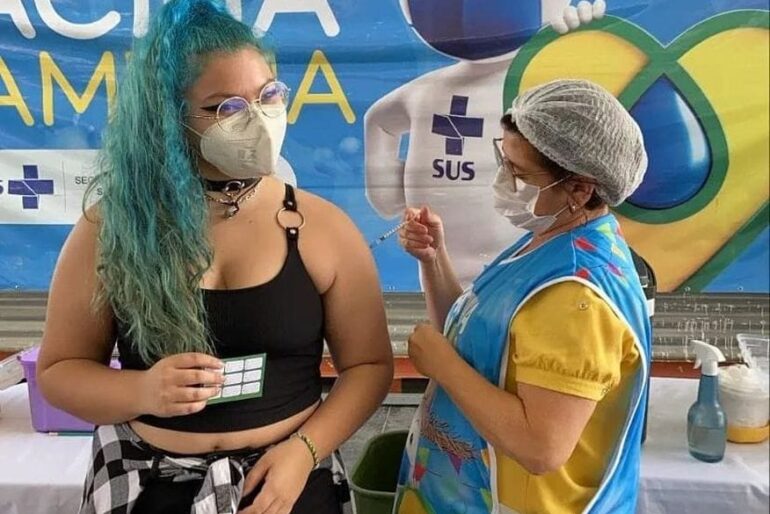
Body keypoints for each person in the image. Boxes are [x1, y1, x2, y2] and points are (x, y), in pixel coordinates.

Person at [36, 1, 393, 513]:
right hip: (148, 484)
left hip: (287, 484)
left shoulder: (322, 228)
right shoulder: (111, 228)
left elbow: (370, 365)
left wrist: (304, 451)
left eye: (268, 95)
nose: (258, 117)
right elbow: (60, 371)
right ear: (169, 119)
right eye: (226, 107)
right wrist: (141, 391)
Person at [395, 79, 652, 513]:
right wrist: (433, 259)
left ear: (580, 189)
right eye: (504, 160)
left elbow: (541, 447)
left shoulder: (576, 297)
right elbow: (475, 343)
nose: (503, 180)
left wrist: (441, 366)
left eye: (519, 172)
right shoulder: (551, 241)